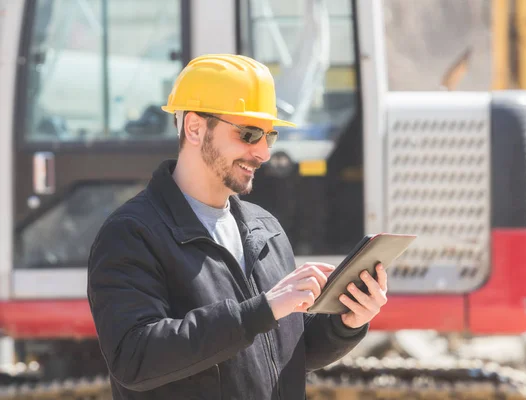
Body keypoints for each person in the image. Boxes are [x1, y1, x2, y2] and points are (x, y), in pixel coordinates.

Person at [87, 54, 388, 400]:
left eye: (269, 137)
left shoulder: (266, 229)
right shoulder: (132, 234)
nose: (262, 153)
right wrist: (263, 309)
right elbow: (134, 358)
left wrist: (345, 322)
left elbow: (285, 355)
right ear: (195, 128)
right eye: (248, 134)